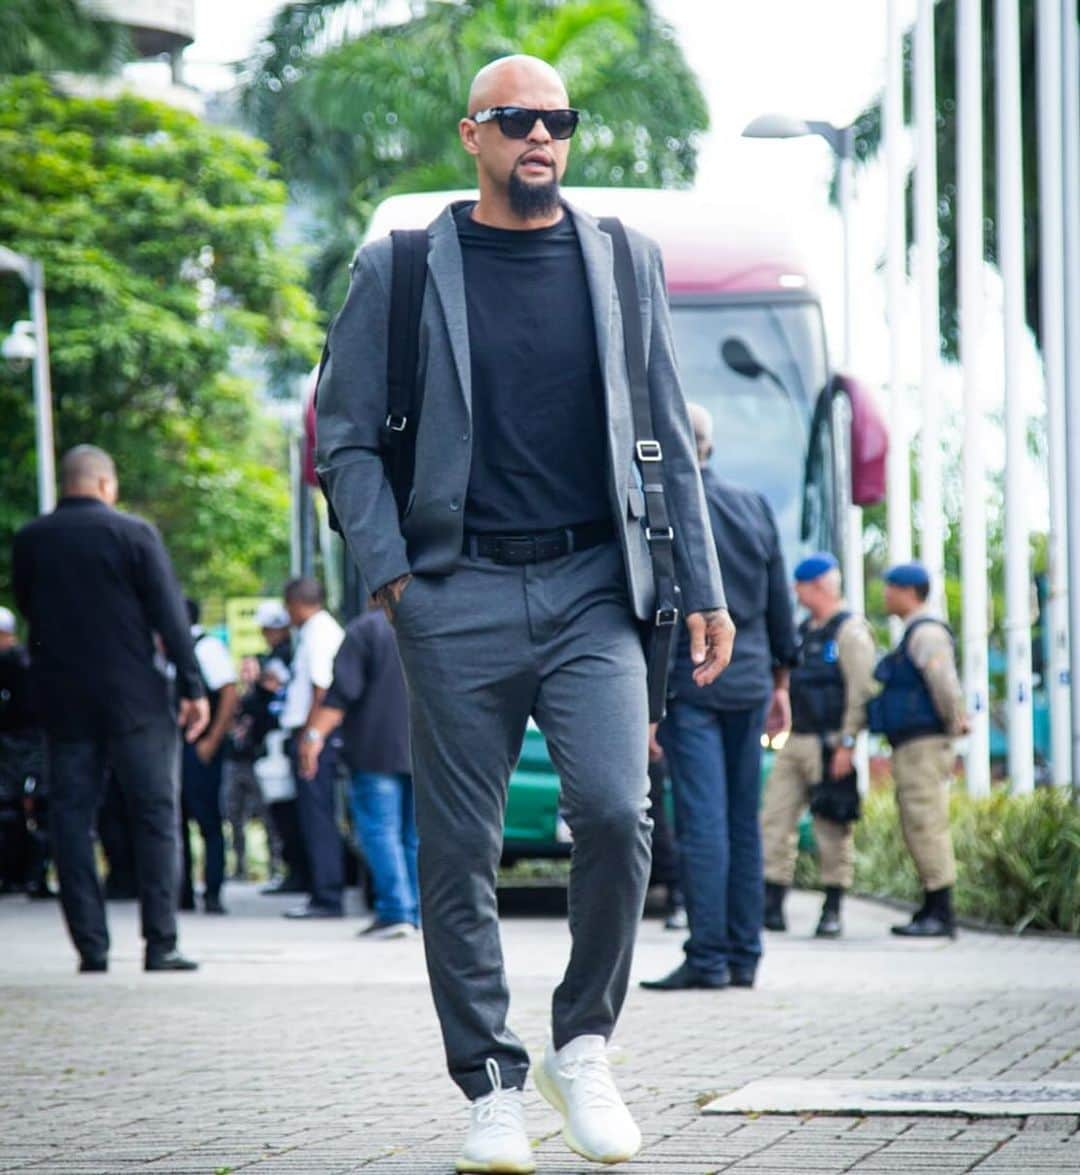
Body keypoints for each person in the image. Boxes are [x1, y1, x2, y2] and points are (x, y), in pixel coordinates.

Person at [316, 55, 733, 1173]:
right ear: (474, 134)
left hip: (599, 587)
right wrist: (395, 572)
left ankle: (582, 1042)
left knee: (612, 811)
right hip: (457, 591)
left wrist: (704, 583)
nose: (540, 135)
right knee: (458, 850)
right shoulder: (402, 266)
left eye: (557, 119)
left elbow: (664, 433)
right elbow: (343, 434)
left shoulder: (620, 260)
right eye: (517, 119)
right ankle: (492, 1082)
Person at [11, 445, 207, 972]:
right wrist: (194, 687)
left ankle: (91, 948)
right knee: (156, 817)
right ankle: (160, 943)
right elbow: (169, 614)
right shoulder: (134, 533)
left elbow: (28, 607)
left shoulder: (30, 539)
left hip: (62, 702)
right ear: (106, 484)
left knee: (71, 821)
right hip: (135, 701)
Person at [642, 402, 794, 994]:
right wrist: (782, 684)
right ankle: (745, 956)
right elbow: (779, 600)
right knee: (742, 822)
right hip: (752, 679)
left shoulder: (668, 508)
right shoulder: (754, 505)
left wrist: (649, 700)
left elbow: (654, 605)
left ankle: (707, 958)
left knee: (702, 823)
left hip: (693, 681)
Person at [760, 553, 877, 938]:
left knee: (832, 826)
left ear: (820, 588)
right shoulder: (804, 630)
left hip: (831, 743)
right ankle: (772, 905)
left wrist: (847, 743)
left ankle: (833, 908)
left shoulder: (850, 631)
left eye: (801, 587)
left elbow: (862, 692)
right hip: (795, 740)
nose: (795, 594)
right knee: (775, 820)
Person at [298, 604, 417, 939]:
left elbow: (340, 695)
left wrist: (312, 737)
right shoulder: (430, 626)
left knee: (380, 832)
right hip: (424, 751)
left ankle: (396, 911)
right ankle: (417, 913)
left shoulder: (366, 631)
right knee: (414, 836)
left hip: (374, 751)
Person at [871, 561, 967, 939]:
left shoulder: (925, 633)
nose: (885, 595)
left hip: (925, 743)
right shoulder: (913, 631)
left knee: (926, 822)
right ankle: (931, 905)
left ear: (909, 592)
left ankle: (941, 913)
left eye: (890, 587)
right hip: (913, 743)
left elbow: (943, 682)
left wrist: (953, 720)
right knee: (916, 822)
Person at [279, 578, 345, 919]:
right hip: (313, 736)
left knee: (317, 818)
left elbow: (322, 690)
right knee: (314, 815)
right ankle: (322, 891)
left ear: (295, 603)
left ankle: (327, 896)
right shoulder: (314, 631)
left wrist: (309, 739)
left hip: (315, 739)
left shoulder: (319, 634)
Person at [179, 599, 239, 915]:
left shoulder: (207, 648)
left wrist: (212, 740)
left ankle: (213, 892)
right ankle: (182, 892)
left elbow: (229, 693)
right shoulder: (169, 646)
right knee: (175, 822)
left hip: (201, 747)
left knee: (208, 822)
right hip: (175, 747)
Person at [0, 605, 50, 896]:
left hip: (29, 742)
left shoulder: (17, 661)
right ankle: (25, 876)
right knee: (16, 811)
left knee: (33, 809)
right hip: (22, 742)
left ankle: (29, 876)